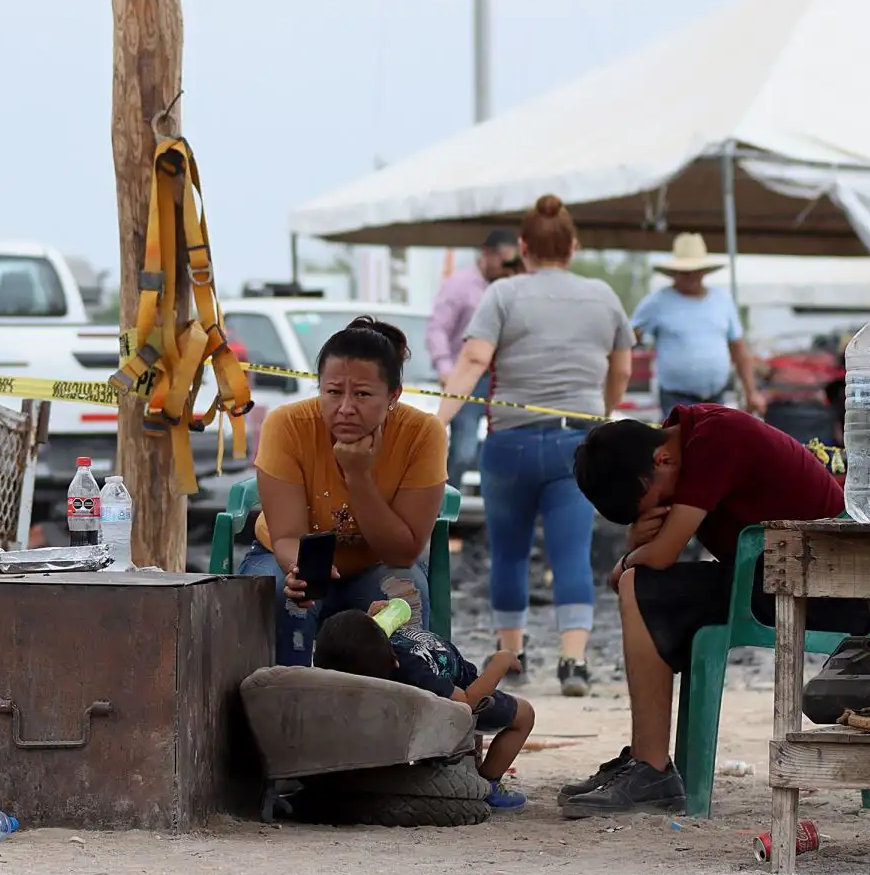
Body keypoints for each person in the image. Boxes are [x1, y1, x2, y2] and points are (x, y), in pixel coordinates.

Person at [560, 405, 870, 816]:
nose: (666, 506)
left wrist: (624, 562)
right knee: (644, 588)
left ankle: (651, 768)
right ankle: (645, 759)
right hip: (776, 576)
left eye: (660, 500)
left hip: (827, 591)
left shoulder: (714, 439)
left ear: (662, 459)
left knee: (636, 585)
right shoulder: (686, 442)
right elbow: (656, 553)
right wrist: (637, 543)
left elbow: (663, 553)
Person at [438, 196, 633, 697]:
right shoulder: (603, 296)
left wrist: (440, 420)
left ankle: (512, 653)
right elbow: (622, 368)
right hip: (576, 442)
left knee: (508, 552)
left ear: (522, 247)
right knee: (571, 552)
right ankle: (574, 661)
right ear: (573, 246)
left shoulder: (503, 294)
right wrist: (604, 410)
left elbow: (474, 359)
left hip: (511, 441)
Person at [238, 317, 448, 665]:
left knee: (405, 596)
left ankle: (393, 696)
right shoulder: (287, 425)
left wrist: (358, 476)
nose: (346, 408)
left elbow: (402, 553)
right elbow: (287, 536)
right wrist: (301, 572)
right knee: (285, 597)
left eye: (363, 394)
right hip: (287, 556)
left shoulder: (423, 434)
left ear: (393, 395)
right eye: (333, 392)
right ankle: (286, 695)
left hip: (378, 564)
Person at [314, 608, 535, 811]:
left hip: (455, 679)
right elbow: (467, 702)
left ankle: (474, 771)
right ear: (394, 663)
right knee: (524, 715)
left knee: (474, 738)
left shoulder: (365, 645)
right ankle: (488, 785)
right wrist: (500, 663)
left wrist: (376, 616)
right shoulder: (414, 673)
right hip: (465, 690)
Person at [630, 234, 765, 417]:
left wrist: (751, 392)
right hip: (675, 398)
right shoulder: (657, 302)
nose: (691, 276)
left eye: (696, 271)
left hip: (716, 396)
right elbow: (628, 338)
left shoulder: (722, 300)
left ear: (704, 272)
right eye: (685, 272)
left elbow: (739, 348)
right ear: (674, 273)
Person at [427, 229, 523, 488]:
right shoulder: (459, 285)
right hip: (468, 379)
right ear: (486, 254)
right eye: (504, 261)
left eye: (514, 262)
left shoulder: (515, 288)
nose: (507, 268)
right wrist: (446, 369)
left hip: (504, 382)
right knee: (463, 453)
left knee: (509, 452)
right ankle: (444, 504)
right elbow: (437, 328)